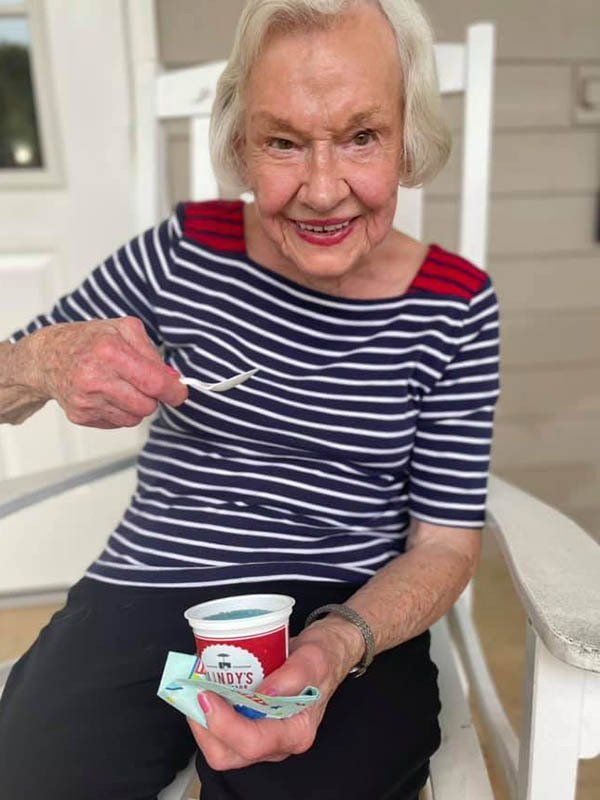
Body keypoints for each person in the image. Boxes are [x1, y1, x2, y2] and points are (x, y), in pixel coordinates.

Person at [0, 0, 500, 798]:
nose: (324, 189)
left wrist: (337, 646)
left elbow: (444, 543)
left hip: (344, 607)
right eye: (283, 142)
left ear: (408, 137)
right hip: (151, 591)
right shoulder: (184, 251)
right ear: (239, 144)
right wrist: (39, 361)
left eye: (362, 136)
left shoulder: (455, 305)